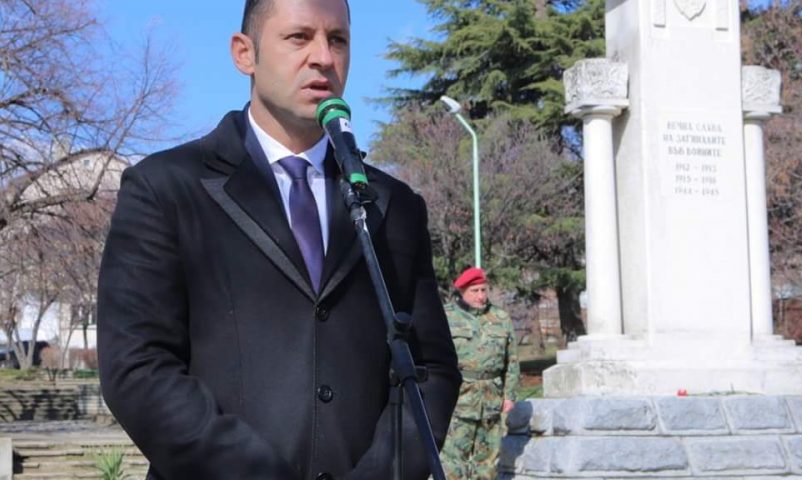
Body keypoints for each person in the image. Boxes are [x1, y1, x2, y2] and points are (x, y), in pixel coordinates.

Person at [96, 0, 461, 478]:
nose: (323, 58)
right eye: (298, 37)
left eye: (338, 40)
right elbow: (137, 367)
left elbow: (430, 368)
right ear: (244, 53)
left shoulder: (392, 205)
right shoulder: (166, 188)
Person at [441, 267, 519, 480]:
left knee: (488, 461)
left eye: (484, 290)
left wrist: (510, 395)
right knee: (453, 458)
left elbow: (511, 360)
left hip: (491, 398)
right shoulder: (447, 317)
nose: (481, 296)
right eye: (475, 291)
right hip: (459, 398)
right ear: (462, 291)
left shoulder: (500, 318)